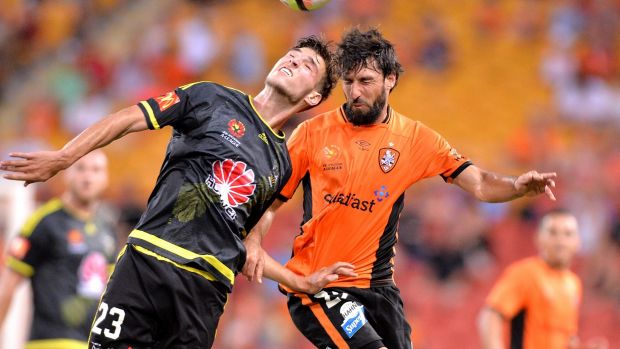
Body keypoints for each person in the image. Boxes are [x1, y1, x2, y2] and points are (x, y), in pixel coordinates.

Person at [0, 36, 356, 349]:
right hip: (146, 262)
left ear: (313, 96)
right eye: (292, 54)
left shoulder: (282, 164)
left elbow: (250, 248)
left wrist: (300, 281)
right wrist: (65, 157)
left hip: (203, 291)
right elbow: (129, 119)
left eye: (308, 64)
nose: (293, 60)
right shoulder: (210, 97)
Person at [241, 28, 558, 349]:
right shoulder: (312, 133)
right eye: (349, 83)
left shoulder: (416, 139)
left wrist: (516, 186)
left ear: (390, 79)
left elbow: (479, 183)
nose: (355, 93)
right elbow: (270, 204)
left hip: (380, 289)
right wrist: (254, 240)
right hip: (319, 285)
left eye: (365, 82)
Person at [0, 150, 118, 349]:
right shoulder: (44, 222)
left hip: (89, 343)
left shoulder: (107, 228)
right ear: (66, 173)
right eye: (80, 169)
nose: (88, 177)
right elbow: (8, 285)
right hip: (49, 341)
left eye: (96, 170)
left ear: (105, 178)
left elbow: (111, 291)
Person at [478, 209, 607, 349]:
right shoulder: (525, 274)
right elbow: (490, 316)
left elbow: (565, 338)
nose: (560, 241)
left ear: (578, 242)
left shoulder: (574, 284)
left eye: (568, 234)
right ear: (538, 238)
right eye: (552, 233)